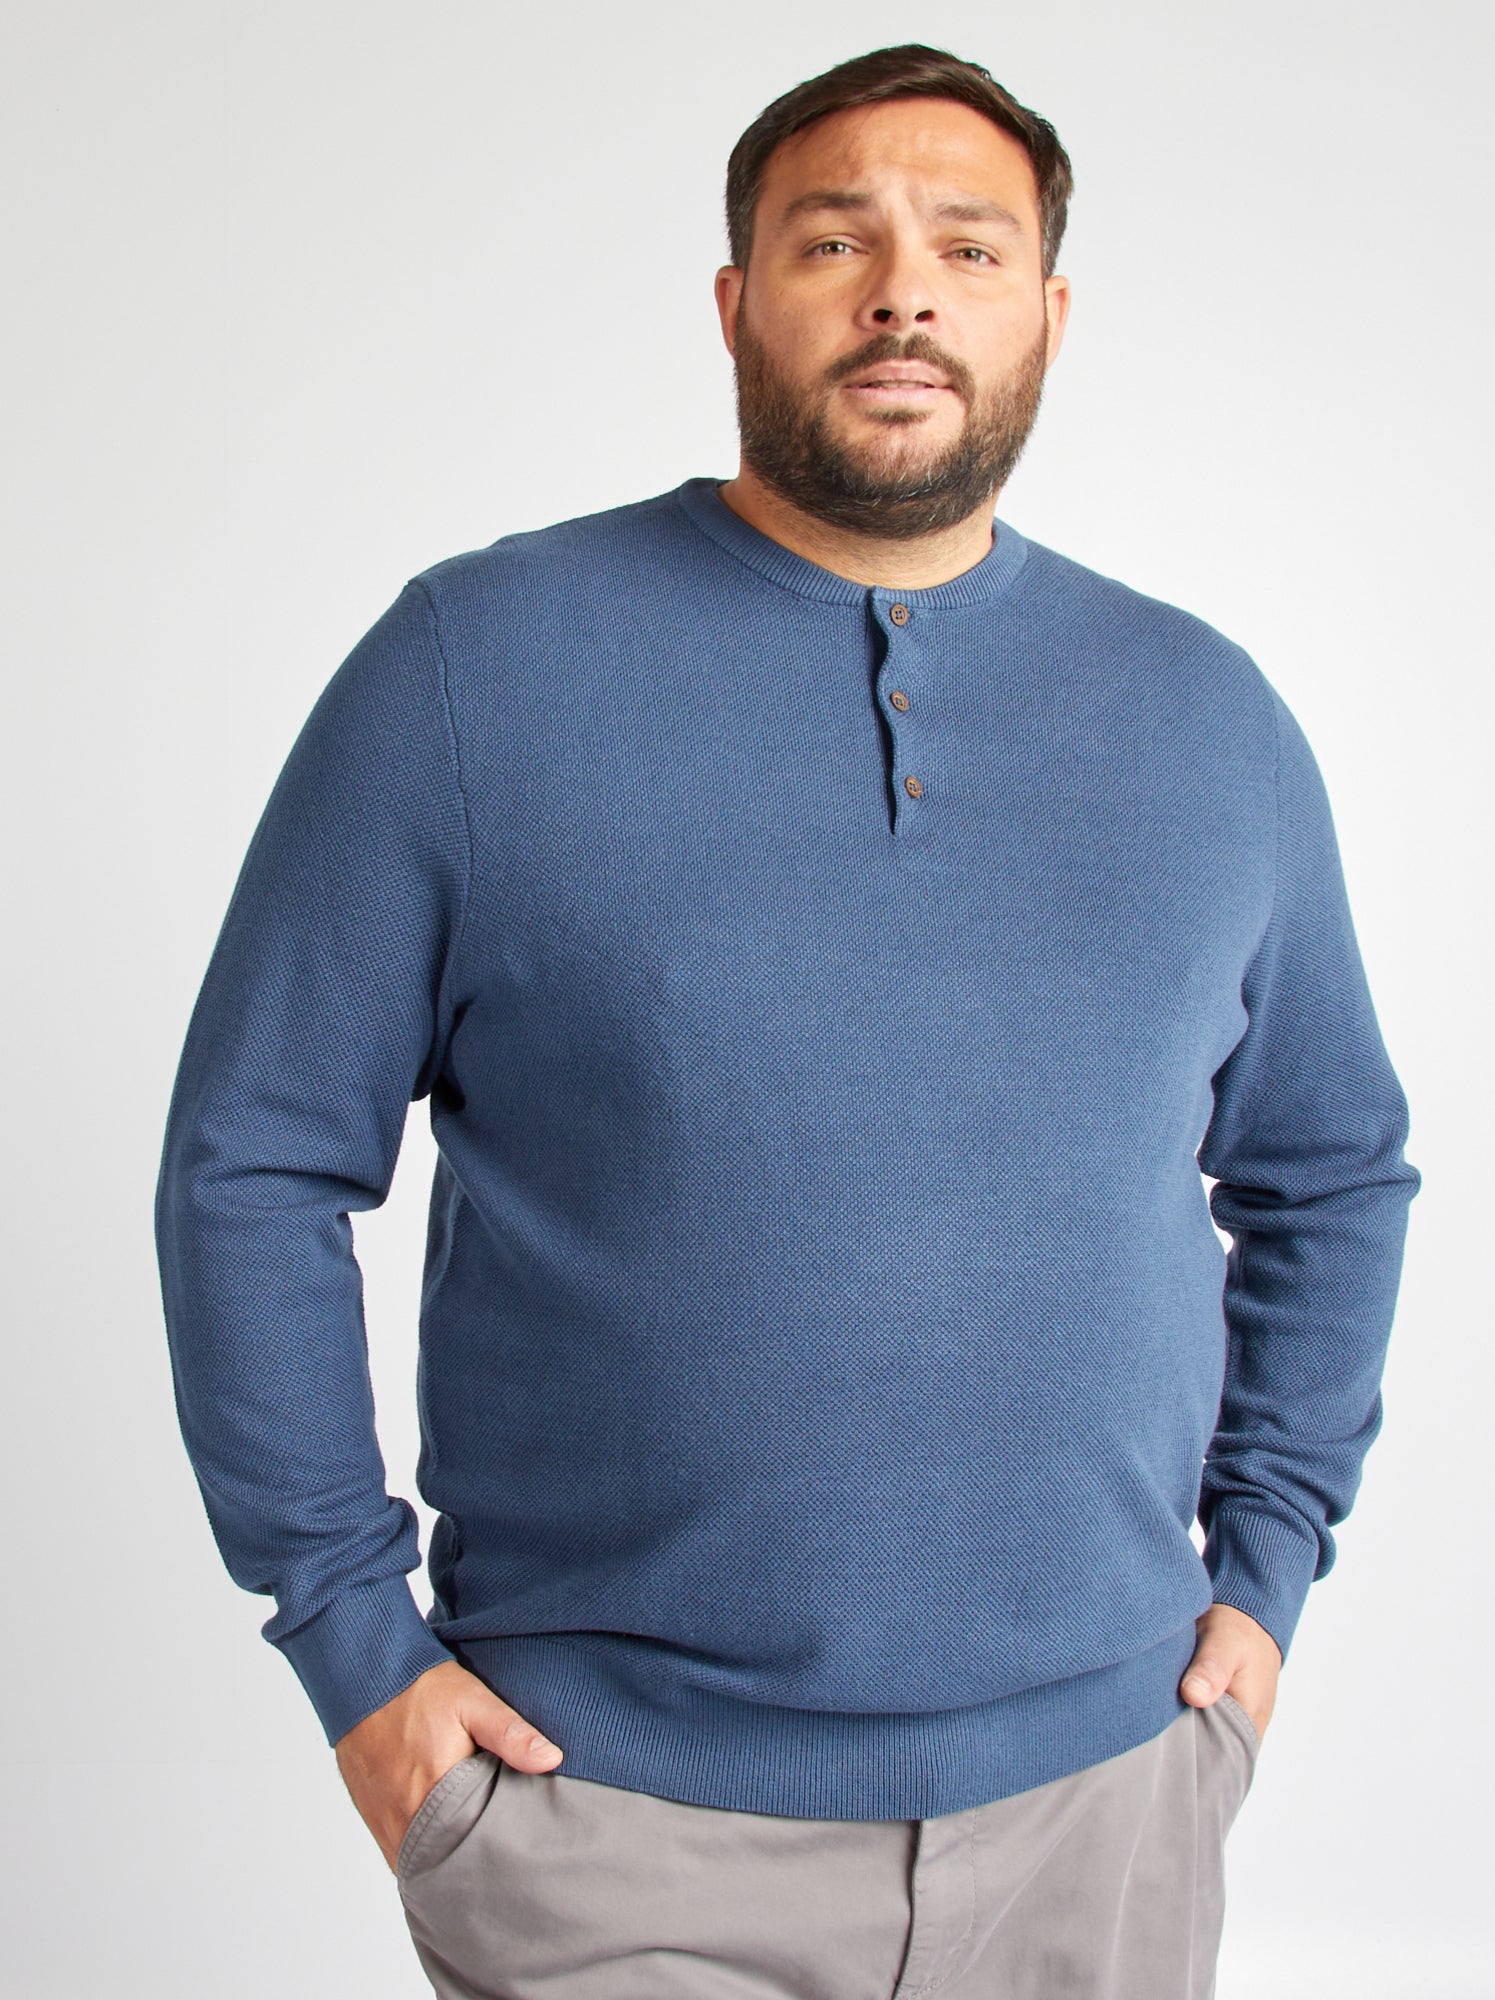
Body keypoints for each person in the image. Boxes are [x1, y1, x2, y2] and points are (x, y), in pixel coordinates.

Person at [154, 41, 1421, 2000]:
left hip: (1104, 1807)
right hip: (603, 1814)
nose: (904, 292)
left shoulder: (1210, 719)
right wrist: (351, 1641)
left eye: (967, 249)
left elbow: (1329, 1172)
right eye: (837, 242)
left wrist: (1262, 1577)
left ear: (1048, 315)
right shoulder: (472, 669)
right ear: (738, 302)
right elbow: (252, 1159)